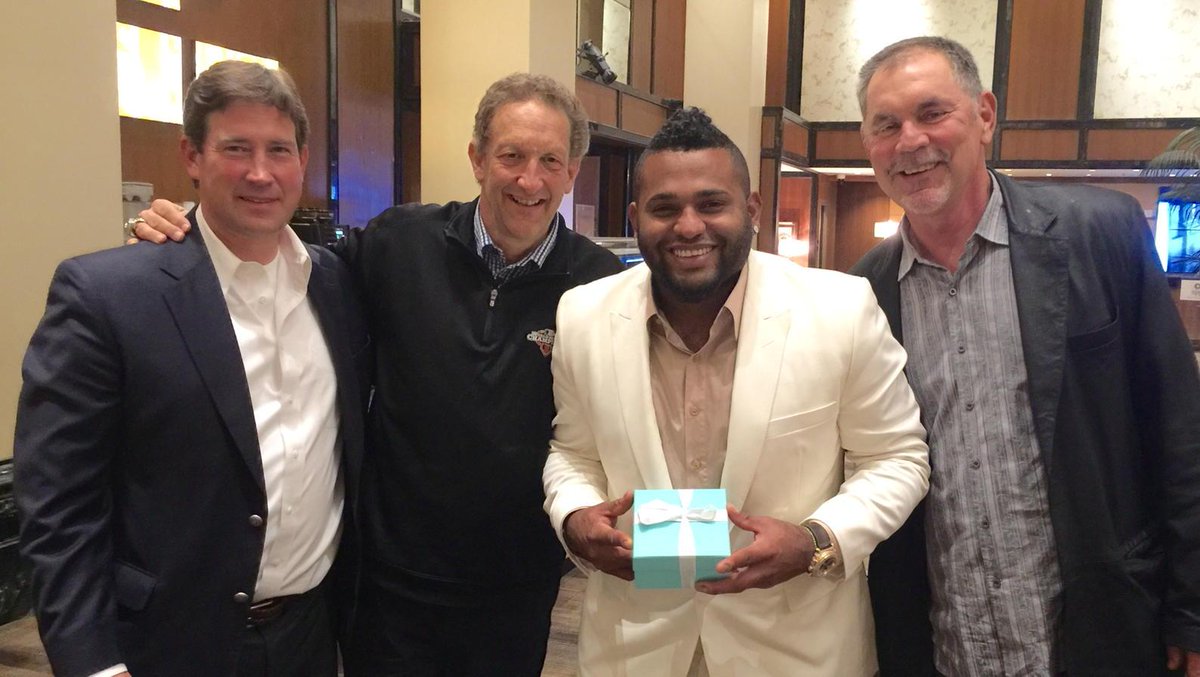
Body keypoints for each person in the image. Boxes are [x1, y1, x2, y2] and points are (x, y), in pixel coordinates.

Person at [133, 72, 624, 676]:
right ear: (477, 159)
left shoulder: (599, 284)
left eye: (550, 161)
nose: (530, 180)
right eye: (511, 156)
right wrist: (187, 227)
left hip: (516, 586)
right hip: (389, 585)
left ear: (571, 171)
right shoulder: (401, 242)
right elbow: (283, 270)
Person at [850, 36, 1200, 677]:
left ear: (984, 115)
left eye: (932, 113)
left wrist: (1192, 608)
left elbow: (1179, 428)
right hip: (949, 641)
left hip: (1101, 627)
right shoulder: (861, 293)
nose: (910, 141)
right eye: (886, 125)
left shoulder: (1101, 233)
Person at [541, 107, 930, 677]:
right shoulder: (583, 315)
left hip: (795, 651)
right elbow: (572, 452)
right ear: (636, 217)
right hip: (634, 647)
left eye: (711, 204)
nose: (688, 227)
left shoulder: (839, 310)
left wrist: (816, 540)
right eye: (664, 208)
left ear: (750, 210)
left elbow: (897, 458)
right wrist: (575, 515)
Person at [14, 61, 370, 677]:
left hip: (310, 635)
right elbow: (58, 504)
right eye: (236, 148)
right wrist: (93, 663)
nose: (260, 172)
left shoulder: (336, 284)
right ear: (191, 156)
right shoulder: (108, 295)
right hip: (167, 643)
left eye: (278, 150)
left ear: (303, 160)